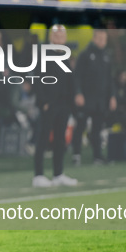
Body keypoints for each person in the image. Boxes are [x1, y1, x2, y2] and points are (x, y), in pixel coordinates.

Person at [32, 25, 78, 187]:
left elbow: (69, 80)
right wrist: (43, 101)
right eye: (57, 36)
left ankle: (58, 174)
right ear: (52, 37)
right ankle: (38, 175)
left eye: (62, 36)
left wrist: (73, 101)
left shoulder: (65, 55)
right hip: (49, 104)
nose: (59, 39)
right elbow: (37, 78)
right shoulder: (43, 53)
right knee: (43, 138)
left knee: (60, 140)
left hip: (63, 104)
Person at [71, 29, 116, 165]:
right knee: (80, 126)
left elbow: (110, 79)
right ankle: (76, 154)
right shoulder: (85, 55)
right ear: (94, 39)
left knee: (97, 128)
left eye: (104, 39)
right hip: (86, 98)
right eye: (100, 39)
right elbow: (77, 76)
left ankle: (97, 156)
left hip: (100, 100)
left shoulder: (106, 56)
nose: (102, 41)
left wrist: (112, 96)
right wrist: (78, 93)